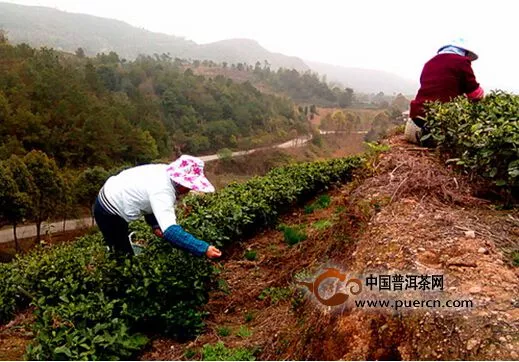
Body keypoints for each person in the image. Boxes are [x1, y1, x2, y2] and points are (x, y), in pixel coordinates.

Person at [93, 155, 222, 259]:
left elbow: (147, 196)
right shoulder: (163, 191)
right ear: (181, 182)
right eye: (190, 186)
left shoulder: (165, 172)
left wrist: (155, 224)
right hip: (108, 209)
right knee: (123, 256)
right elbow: (171, 231)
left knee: (121, 248)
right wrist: (203, 248)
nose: (189, 190)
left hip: (113, 191)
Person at [406, 38, 484, 145]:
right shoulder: (462, 62)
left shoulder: (429, 63)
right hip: (436, 130)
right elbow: (475, 94)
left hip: (413, 125)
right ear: (464, 52)